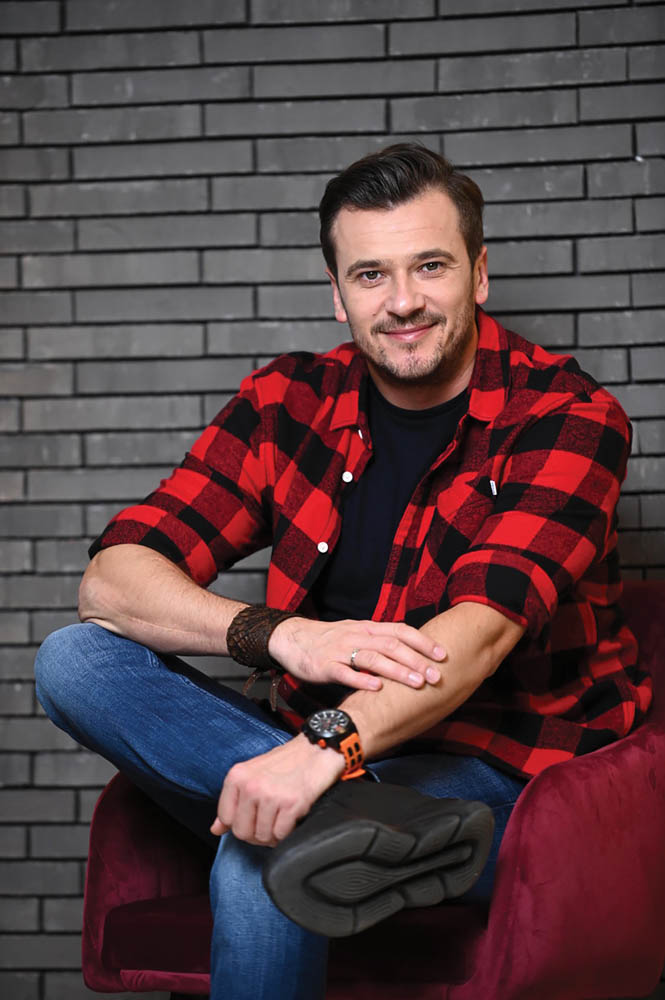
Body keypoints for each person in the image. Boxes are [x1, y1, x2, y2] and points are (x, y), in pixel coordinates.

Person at [34, 144, 652, 1000]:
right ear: (337, 293)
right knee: (72, 658)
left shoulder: (565, 416)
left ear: (477, 274)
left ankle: (334, 821)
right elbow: (112, 580)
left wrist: (322, 749)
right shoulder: (286, 402)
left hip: (492, 776)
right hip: (316, 755)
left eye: (429, 266)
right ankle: (350, 822)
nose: (402, 302)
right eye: (370, 275)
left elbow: (472, 641)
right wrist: (284, 637)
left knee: (267, 856)